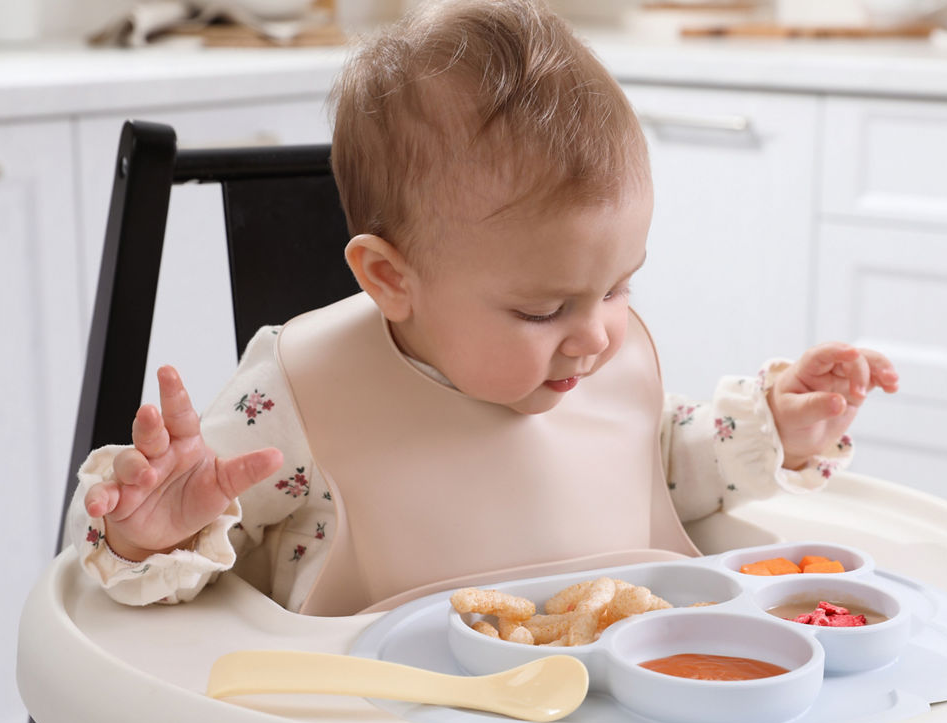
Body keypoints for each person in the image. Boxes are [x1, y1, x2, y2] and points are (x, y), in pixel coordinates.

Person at [68, 0, 898, 616]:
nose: (596, 338)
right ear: (390, 279)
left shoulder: (604, 359)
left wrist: (778, 429)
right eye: (542, 311)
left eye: (617, 288)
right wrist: (156, 531)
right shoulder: (302, 401)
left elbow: (663, 468)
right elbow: (184, 544)